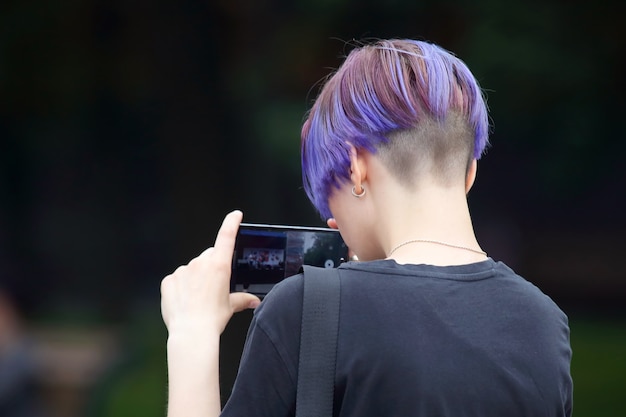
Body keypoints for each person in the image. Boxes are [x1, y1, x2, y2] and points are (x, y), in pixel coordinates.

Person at [160, 39, 573, 417]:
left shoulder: (307, 309)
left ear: (356, 167)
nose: (335, 225)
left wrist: (191, 337)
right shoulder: (544, 322)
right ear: (469, 173)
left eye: (330, 201)